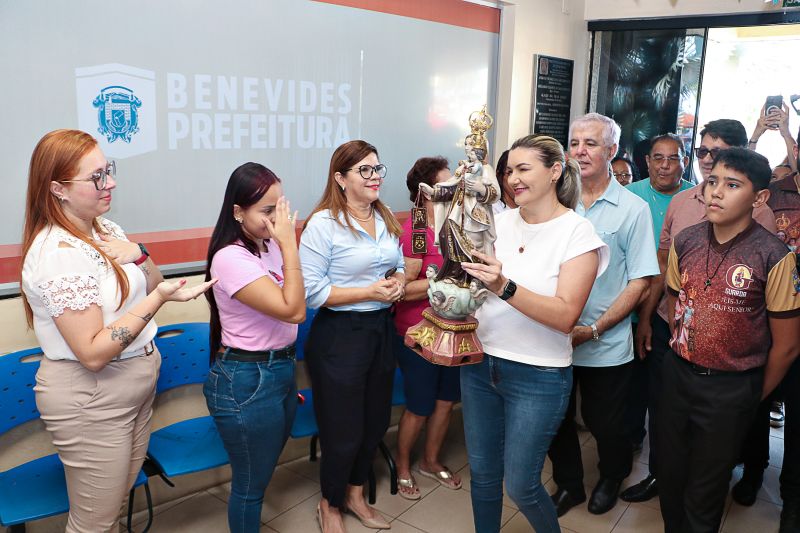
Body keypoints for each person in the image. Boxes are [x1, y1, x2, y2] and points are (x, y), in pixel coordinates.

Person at [20, 129, 214, 533]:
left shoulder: (105, 229)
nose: (111, 183)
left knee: (111, 506)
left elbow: (152, 278)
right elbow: (92, 352)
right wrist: (156, 299)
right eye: (96, 177)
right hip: (93, 395)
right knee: (93, 522)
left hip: (135, 381)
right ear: (58, 189)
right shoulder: (60, 254)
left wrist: (141, 255)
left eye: (107, 170)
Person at [459, 134, 609, 533]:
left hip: (538, 376)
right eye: (509, 170)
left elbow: (565, 316)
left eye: (524, 169)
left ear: (555, 171)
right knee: (483, 477)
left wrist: (502, 285)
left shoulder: (578, 234)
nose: (512, 179)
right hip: (479, 365)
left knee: (522, 484)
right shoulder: (497, 222)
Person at [625, 118, 778, 504]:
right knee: (666, 417)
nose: (708, 160)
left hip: (732, 355)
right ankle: (662, 477)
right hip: (675, 335)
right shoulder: (683, 204)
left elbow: (763, 303)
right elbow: (666, 273)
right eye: (703, 152)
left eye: (717, 152)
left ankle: (739, 476)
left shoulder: (760, 223)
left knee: (715, 452)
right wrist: (650, 319)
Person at [659, 147, 800, 533]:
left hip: (731, 385)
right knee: (669, 473)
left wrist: (751, 393)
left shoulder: (774, 256)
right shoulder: (686, 239)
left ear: (759, 198)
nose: (716, 192)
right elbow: (676, 301)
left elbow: (787, 345)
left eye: (732, 185)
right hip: (677, 374)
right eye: (712, 182)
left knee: (706, 487)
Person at [547, 113, 659, 517]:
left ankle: (612, 475)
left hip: (604, 338)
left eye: (590, 143)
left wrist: (594, 328)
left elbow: (640, 280)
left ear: (612, 151)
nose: (580, 151)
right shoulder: (556, 200)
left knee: (606, 422)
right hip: (553, 335)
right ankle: (570, 484)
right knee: (555, 418)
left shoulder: (633, 209)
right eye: (574, 142)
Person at [299, 140, 405, 533]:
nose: (375, 177)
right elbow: (312, 293)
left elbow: (397, 267)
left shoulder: (385, 217)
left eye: (378, 169)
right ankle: (329, 504)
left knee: (375, 422)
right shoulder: (323, 225)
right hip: (339, 337)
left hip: (379, 331)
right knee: (342, 429)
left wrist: (395, 282)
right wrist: (369, 292)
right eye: (365, 170)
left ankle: (356, 494)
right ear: (340, 179)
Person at [203, 162, 305, 533]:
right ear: (237, 212)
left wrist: (281, 246)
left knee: (259, 476)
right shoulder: (231, 257)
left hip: (277, 371)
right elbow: (294, 309)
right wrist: (289, 243)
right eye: (266, 212)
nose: (276, 222)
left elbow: (292, 298)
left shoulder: (268, 248)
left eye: (280, 210)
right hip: (247, 379)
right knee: (250, 487)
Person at [619, 133, 693, 494]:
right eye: (658, 158)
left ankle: (664, 456)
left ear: (684, 161)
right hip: (626, 306)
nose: (666, 165)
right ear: (646, 161)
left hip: (671, 314)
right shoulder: (630, 195)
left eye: (673, 159)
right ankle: (631, 438)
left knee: (663, 389)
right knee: (631, 384)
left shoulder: (696, 198)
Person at [392, 156, 463, 500]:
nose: (453, 188)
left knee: (446, 401)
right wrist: (445, 279)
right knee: (420, 405)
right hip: (418, 330)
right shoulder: (418, 230)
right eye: (445, 183)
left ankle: (430, 460)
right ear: (426, 191)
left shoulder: (455, 224)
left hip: (452, 330)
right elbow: (403, 288)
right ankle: (403, 466)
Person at [767, 129, 800, 532]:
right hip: (767, 321)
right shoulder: (776, 190)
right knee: (756, 401)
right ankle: (750, 472)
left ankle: (792, 499)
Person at [419, 134, 500, 286]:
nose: (468, 152)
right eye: (467, 149)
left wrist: (481, 188)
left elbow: (495, 193)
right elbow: (451, 187)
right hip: (458, 211)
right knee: (447, 234)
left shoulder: (486, 169)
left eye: (471, 149)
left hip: (475, 215)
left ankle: (472, 278)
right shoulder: (463, 168)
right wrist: (433, 192)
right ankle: (455, 274)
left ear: (480, 151)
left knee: (473, 246)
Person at [748, 101, 798, 174]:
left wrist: (786, 133)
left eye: (786, 177)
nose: (780, 181)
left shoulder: (795, 179)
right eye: (774, 177)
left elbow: (796, 170)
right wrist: (755, 137)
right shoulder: (769, 184)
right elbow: (746, 168)